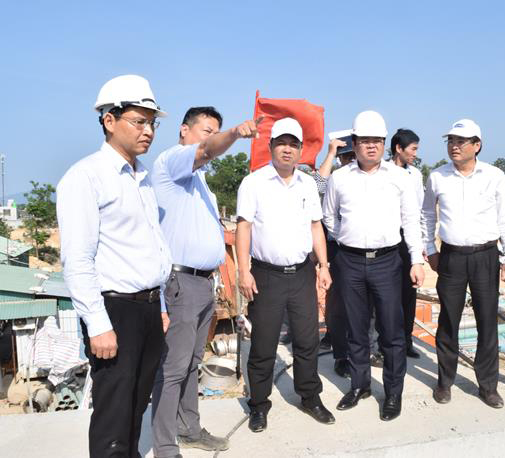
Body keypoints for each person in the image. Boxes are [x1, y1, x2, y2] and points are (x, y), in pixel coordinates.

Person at [57, 74, 172, 457]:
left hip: (148, 308)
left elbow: (149, 248)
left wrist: (161, 307)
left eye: (152, 122)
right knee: (113, 416)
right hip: (115, 311)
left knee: (136, 406)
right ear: (109, 120)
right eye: (138, 121)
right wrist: (98, 324)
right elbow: (77, 260)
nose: (148, 131)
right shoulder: (86, 177)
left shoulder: (141, 177)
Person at [150, 107, 259, 456]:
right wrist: (235, 135)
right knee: (173, 368)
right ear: (184, 130)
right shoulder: (172, 162)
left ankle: (190, 429)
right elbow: (206, 151)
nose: (210, 137)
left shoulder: (201, 184)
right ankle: (166, 444)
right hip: (180, 282)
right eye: (205, 130)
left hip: (202, 284)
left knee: (192, 362)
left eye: (217, 131)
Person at [323, 110, 425, 421]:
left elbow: (411, 221)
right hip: (350, 261)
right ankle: (359, 385)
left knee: (392, 331)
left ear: (384, 144)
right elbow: (329, 217)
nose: (371, 146)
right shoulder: (339, 179)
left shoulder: (400, 178)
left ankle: (393, 392)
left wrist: (416, 260)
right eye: (365, 141)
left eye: (377, 141)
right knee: (355, 329)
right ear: (353, 144)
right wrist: (347, 238)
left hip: (388, 262)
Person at [236, 117, 334, 432]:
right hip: (266, 276)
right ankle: (259, 405)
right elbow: (243, 228)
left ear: (300, 149)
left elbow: (316, 226)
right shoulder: (254, 182)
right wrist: (243, 270)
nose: (287, 150)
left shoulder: (307, 183)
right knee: (264, 344)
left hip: (302, 273)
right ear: (271, 146)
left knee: (307, 340)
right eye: (282, 143)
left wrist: (324, 265)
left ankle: (309, 396)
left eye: (293, 144)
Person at [421, 119, 505, 409]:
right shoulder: (437, 177)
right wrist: (430, 249)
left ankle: (488, 386)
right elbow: (427, 215)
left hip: (485, 256)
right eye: (451, 140)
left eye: (461, 141)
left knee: (487, 320)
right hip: (450, 256)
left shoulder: (495, 176)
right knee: (448, 320)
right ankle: (444, 382)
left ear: (477, 145)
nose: (454, 146)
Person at [314, 138, 356, 377]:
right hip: (339, 248)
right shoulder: (335, 181)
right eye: (346, 157)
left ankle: (363, 350)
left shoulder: (373, 178)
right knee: (339, 305)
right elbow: (318, 185)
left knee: (364, 306)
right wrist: (330, 153)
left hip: (367, 252)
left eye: (353, 156)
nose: (350, 161)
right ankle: (342, 356)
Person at [391, 128, 425, 359]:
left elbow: (420, 211)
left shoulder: (416, 175)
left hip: (408, 237)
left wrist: (419, 243)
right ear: (398, 148)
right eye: (412, 149)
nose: (414, 154)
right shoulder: (382, 172)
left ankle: (406, 339)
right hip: (387, 238)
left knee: (409, 291)